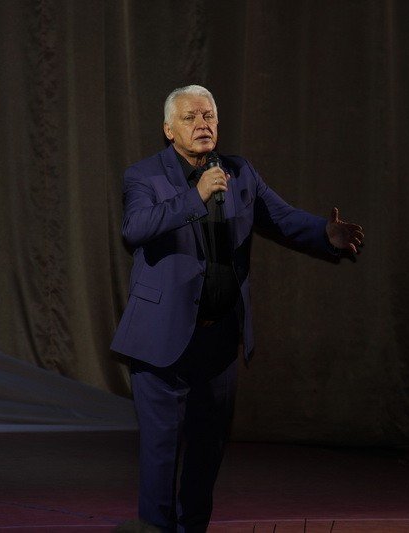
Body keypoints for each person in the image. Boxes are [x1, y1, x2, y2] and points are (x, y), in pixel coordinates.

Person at [110, 85, 364, 532]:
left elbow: (281, 218)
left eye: (208, 115)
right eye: (190, 117)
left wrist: (325, 234)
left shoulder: (239, 172)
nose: (202, 124)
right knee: (160, 452)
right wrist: (195, 197)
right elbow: (135, 228)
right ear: (169, 129)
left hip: (219, 338)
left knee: (207, 450)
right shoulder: (143, 176)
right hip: (159, 338)